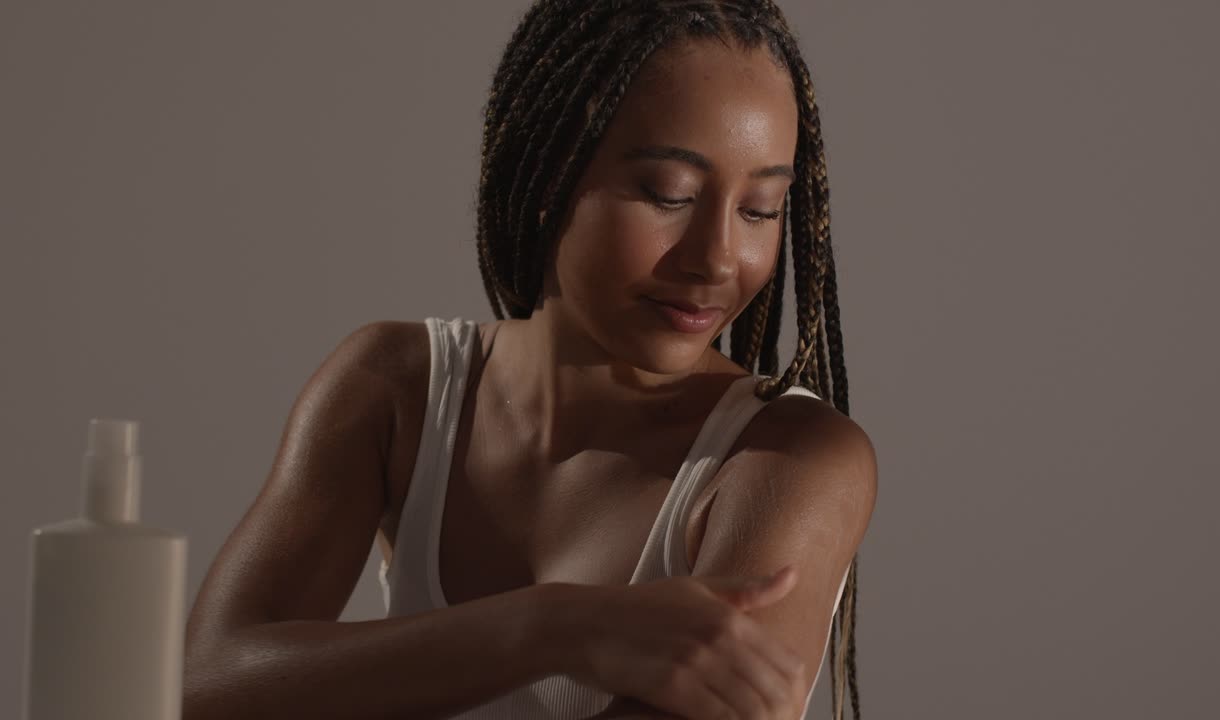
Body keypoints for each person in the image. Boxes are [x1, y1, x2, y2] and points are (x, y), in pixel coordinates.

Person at [183, 1, 878, 719]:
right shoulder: (395, 389)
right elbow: (201, 688)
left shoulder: (791, 460)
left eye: (760, 209)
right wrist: (550, 628)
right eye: (669, 194)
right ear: (546, 175)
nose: (716, 260)